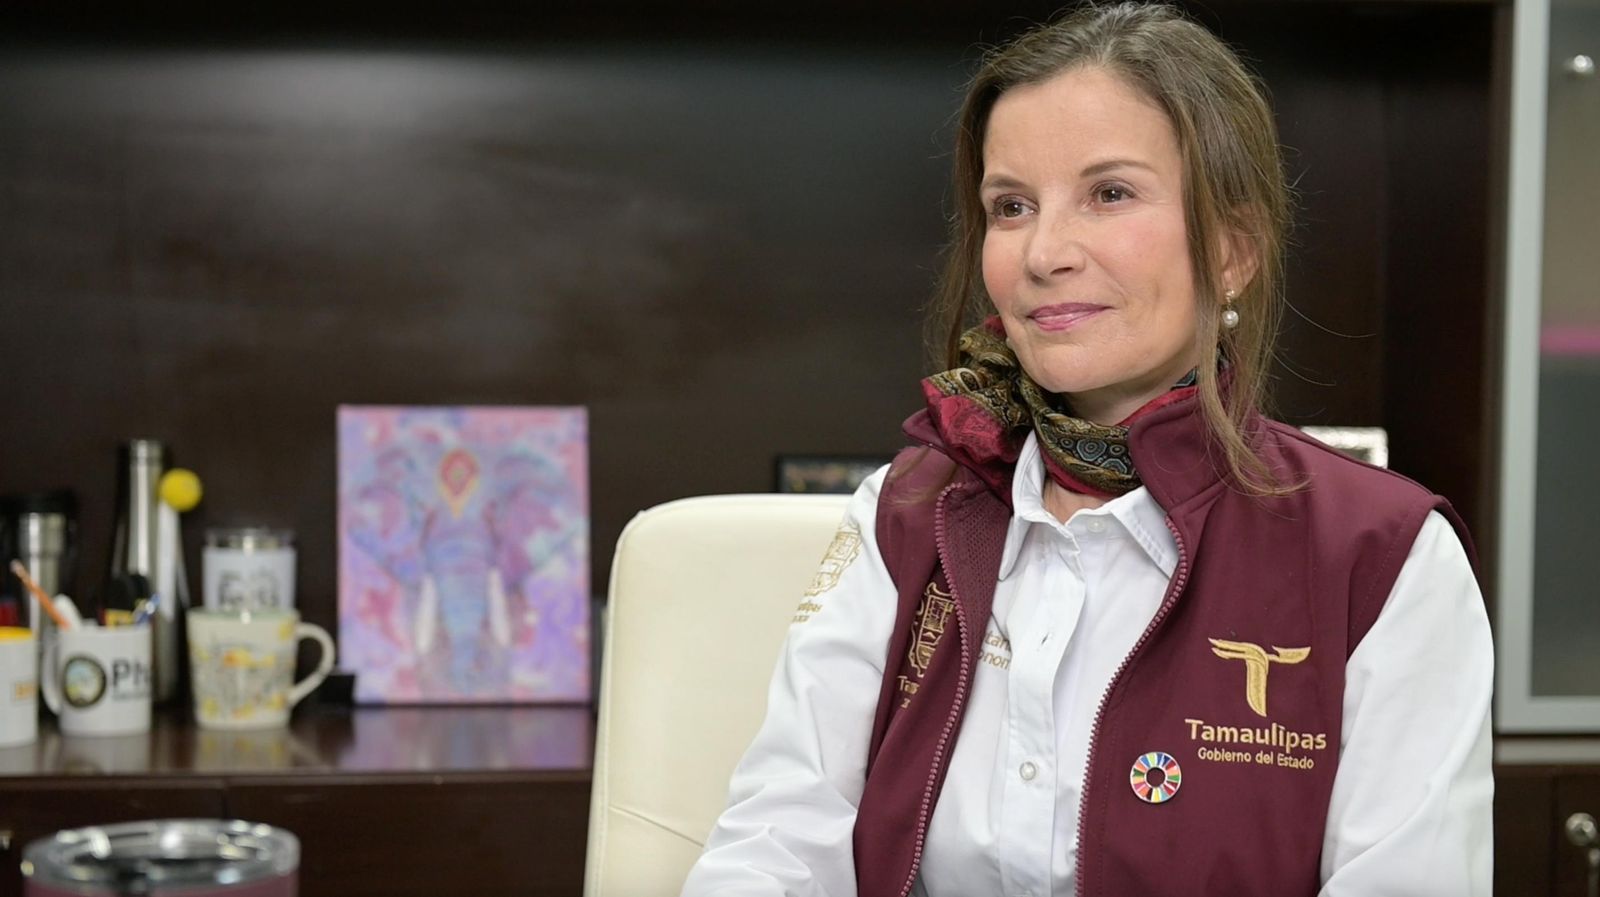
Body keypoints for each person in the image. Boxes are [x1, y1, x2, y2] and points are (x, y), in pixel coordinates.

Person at [680, 3, 1493, 895]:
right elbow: (779, 840)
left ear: (1233, 250)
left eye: (1109, 193)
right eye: (1011, 206)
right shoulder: (906, 510)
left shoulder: (1385, 555)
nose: (1044, 252)